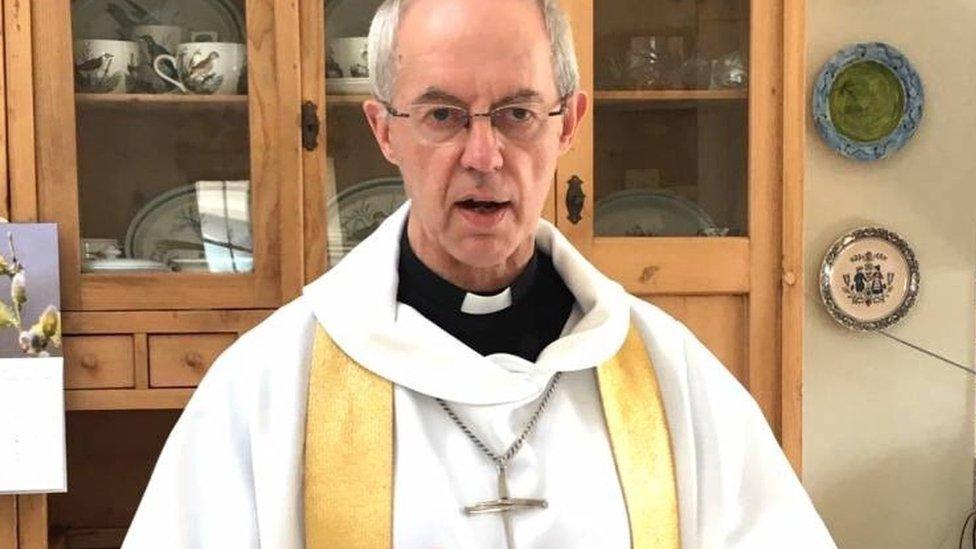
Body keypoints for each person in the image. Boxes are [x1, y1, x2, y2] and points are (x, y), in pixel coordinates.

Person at [122, 0, 836, 547]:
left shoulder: (671, 375)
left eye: (519, 113)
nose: (484, 155)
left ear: (569, 123)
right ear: (385, 131)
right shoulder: (270, 385)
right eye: (443, 114)